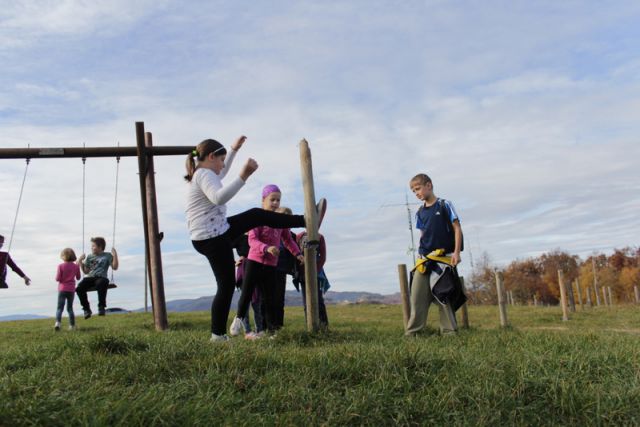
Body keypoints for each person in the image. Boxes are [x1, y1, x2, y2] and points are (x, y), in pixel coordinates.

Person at [185, 136, 326, 342]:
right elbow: (219, 197)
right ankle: (217, 335)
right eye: (221, 159)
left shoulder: (205, 172)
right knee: (225, 285)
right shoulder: (203, 175)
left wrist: (233, 151)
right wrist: (244, 175)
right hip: (212, 237)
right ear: (211, 157)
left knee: (256, 215)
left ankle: (305, 220)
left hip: (213, 232)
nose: (223, 165)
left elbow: (222, 173)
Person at [229, 186, 304, 338]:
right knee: (247, 293)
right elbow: (252, 239)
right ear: (263, 201)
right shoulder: (257, 218)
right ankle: (238, 319)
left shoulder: (280, 221)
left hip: (271, 265)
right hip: (254, 261)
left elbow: (288, 240)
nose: (276, 203)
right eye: (272, 199)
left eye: (278, 200)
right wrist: (266, 248)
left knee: (270, 298)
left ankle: (272, 331)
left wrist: (297, 254)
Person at [405, 173, 463, 336]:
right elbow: (423, 235)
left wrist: (456, 253)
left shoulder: (445, 205)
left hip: (443, 258)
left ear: (429, 185)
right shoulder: (420, 212)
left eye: (418, 189)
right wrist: (419, 255)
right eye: (413, 191)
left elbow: (457, 228)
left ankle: (449, 333)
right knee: (416, 297)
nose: (417, 193)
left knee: (442, 295)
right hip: (424, 259)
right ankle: (412, 334)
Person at [76, 237, 119, 318]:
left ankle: (101, 307)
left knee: (101, 283)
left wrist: (115, 255)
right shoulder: (89, 256)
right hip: (90, 277)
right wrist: (81, 262)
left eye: (93, 246)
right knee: (79, 288)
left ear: (100, 247)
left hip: (101, 277)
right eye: (92, 246)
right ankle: (86, 309)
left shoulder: (107, 255)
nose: (91, 248)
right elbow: (86, 271)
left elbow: (115, 267)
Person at [295, 231, 329, 328]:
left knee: (319, 301)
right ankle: (310, 327)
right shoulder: (298, 237)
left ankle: (324, 326)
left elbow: (322, 257)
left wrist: (315, 271)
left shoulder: (319, 237)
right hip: (302, 275)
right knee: (306, 302)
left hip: (316, 274)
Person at [232, 233, 264, 334]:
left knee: (257, 303)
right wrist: (233, 262)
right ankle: (247, 331)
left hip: (257, 269)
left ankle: (259, 330)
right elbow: (225, 246)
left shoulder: (259, 237)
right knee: (245, 302)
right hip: (244, 270)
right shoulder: (240, 238)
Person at [273, 207, 298, 330]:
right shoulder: (271, 230)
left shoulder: (292, 236)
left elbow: (294, 250)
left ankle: (279, 325)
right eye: (282, 216)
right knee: (266, 298)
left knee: (279, 298)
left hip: (282, 269)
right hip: (268, 267)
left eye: (288, 217)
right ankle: (265, 326)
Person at [54, 248, 81, 331]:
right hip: (71, 290)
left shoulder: (60, 266)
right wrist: (78, 267)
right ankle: (72, 326)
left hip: (62, 289)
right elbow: (78, 277)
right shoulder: (76, 266)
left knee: (59, 308)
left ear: (64, 256)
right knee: (70, 308)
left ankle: (58, 323)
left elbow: (57, 278)